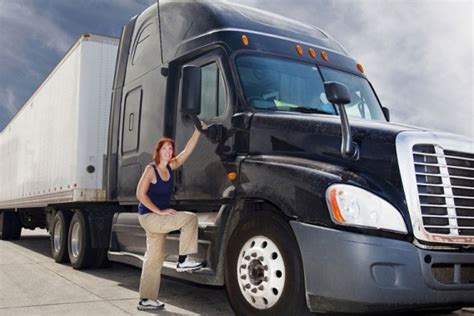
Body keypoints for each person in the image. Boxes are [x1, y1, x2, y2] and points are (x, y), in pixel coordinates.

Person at [136, 125, 205, 311]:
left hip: (156, 219)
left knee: (154, 258)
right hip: (149, 217)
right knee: (189, 219)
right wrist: (159, 211)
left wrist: (198, 131)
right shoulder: (151, 170)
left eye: (170, 148)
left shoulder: (172, 166)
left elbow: (187, 150)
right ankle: (183, 260)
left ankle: (146, 299)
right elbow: (140, 195)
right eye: (164, 148)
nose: (168, 151)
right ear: (158, 151)